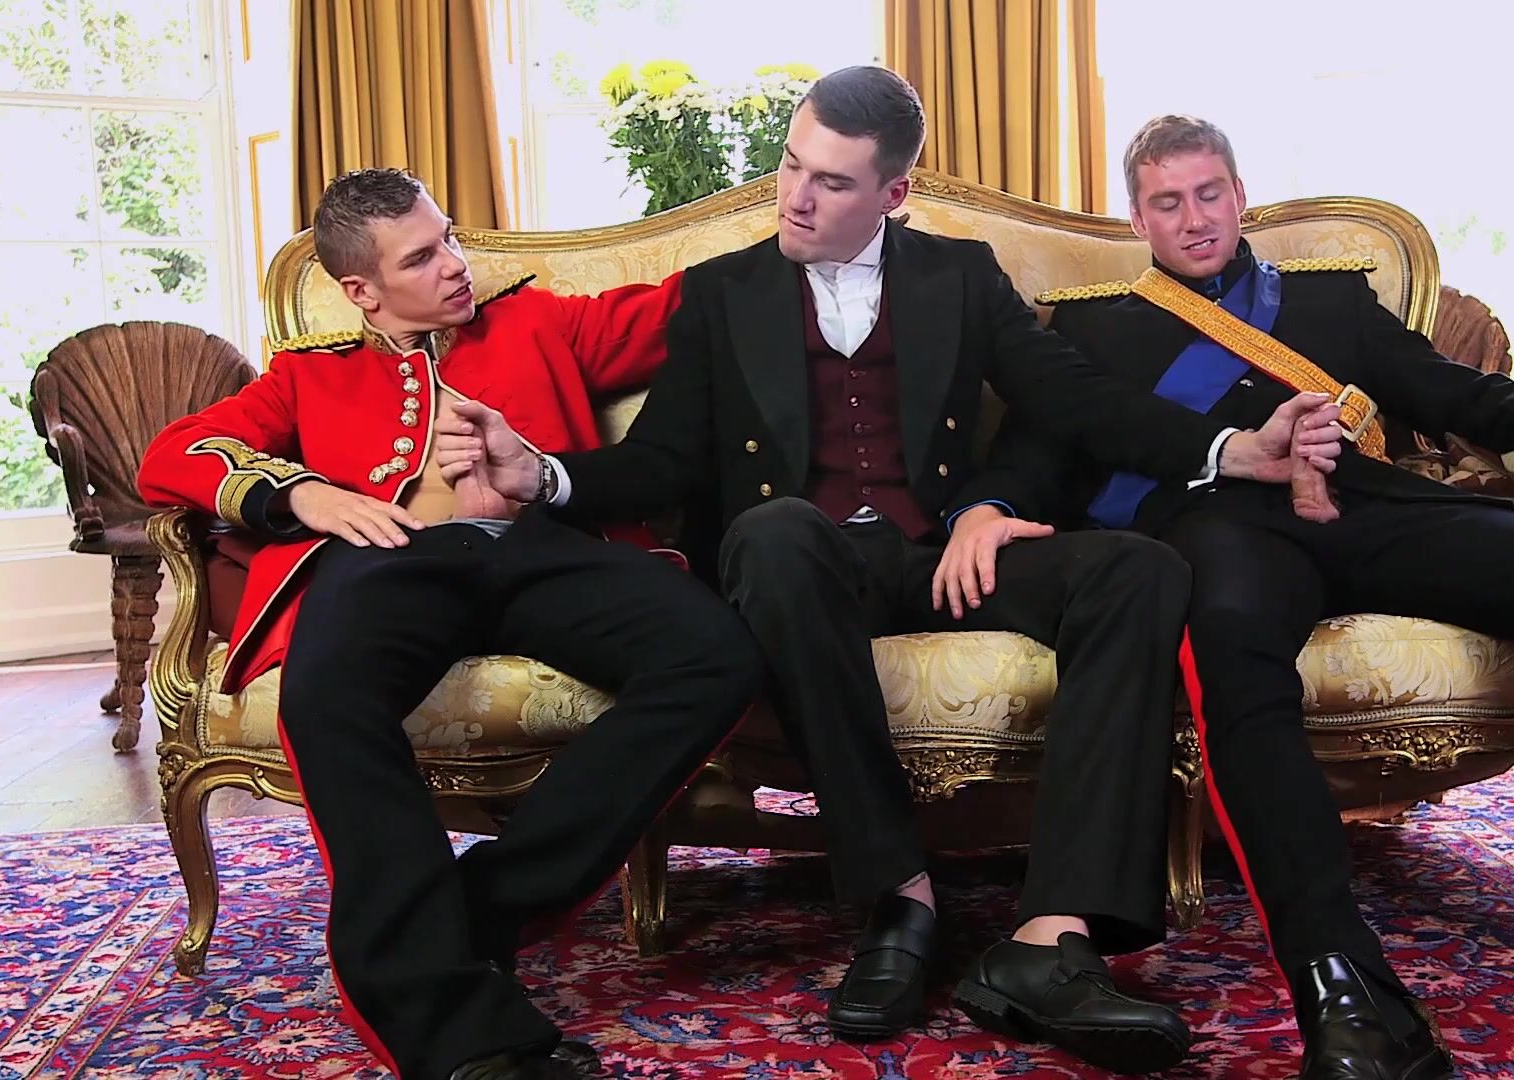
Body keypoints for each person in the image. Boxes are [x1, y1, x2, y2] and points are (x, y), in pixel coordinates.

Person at [431, 66, 1276, 1077]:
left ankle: (1050, 937)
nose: (795, 196)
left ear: (894, 193)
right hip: (799, 571)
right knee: (776, 533)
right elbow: (662, 461)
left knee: (1137, 571)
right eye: (792, 165)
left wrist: (1219, 453)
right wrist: (543, 474)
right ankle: (898, 896)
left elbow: (1072, 401)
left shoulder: (959, 275)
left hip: (935, 557)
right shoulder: (723, 291)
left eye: (831, 182)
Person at [1026, 113, 1514, 1079]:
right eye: (1168, 203)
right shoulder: (1096, 327)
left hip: (1373, 510)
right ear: (1138, 220)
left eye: (1209, 193)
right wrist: (991, 511)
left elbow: (1453, 392)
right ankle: (1346, 991)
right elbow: (1052, 453)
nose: (1195, 218)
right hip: (1220, 530)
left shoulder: (1327, 300)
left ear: (1240, 195)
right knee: (1229, 644)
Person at [137, 168, 765, 1080]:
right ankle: (463, 1038)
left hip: (540, 550)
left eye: (452, 239)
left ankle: (477, 907)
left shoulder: (538, 321)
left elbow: (678, 305)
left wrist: (811, 223)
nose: (456, 265)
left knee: (715, 654)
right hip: (387, 559)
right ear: (362, 290)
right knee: (325, 697)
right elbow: (173, 453)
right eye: (422, 257)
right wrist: (300, 493)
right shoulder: (310, 373)